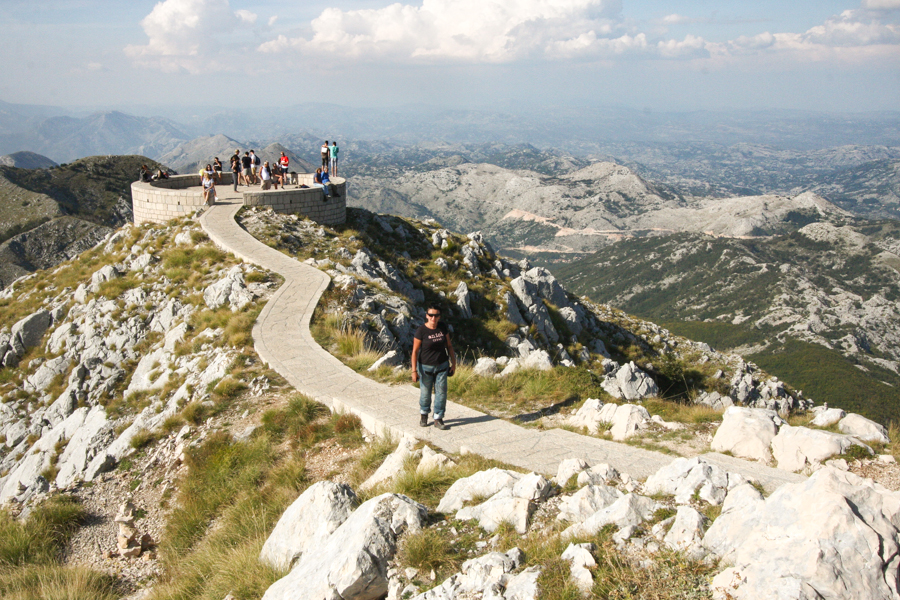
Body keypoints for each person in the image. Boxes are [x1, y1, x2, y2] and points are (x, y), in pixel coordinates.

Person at [411, 305, 455, 430]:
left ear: (439, 317)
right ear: (426, 315)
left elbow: (449, 346)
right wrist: (414, 370)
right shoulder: (421, 331)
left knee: (441, 393)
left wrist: (454, 364)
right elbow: (414, 351)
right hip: (425, 367)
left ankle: (438, 418)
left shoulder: (442, 327)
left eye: (436, 315)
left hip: (442, 365)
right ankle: (424, 414)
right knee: (425, 393)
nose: (433, 318)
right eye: (431, 315)